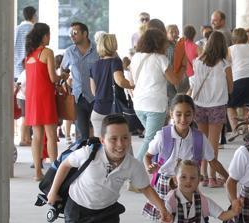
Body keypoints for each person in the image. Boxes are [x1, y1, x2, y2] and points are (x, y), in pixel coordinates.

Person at [143, 94, 229, 219]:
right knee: (166, 219)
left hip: (189, 182)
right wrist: (149, 167)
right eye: (178, 114)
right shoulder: (163, 136)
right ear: (171, 114)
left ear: (194, 115)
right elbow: (147, 156)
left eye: (188, 114)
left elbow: (213, 161)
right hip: (165, 182)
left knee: (187, 218)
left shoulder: (199, 138)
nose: (183, 119)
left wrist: (228, 178)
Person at [129, 28, 182, 166]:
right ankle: (135, 173)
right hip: (155, 105)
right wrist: (182, 68)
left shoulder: (136, 57)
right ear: (158, 43)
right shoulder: (161, 59)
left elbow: (132, 81)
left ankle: (156, 167)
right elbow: (174, 80)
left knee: (156, 138)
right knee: (151, 140)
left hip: (139, 104)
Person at [191, 31, 233, 188]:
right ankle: (212, 178)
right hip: (217, 105)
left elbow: (194, 83)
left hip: (199, 105)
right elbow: (230, 87)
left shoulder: (198, 62)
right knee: (213, 143)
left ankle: (201, 175)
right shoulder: (224, 64)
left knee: (202, 141)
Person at [24, 23, 66, 181]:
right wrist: (62, 77)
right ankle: (54, 172)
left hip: (32, 98)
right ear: (43, 36)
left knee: (37, 136)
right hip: (45, 97)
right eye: (48, 34)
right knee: (51, 135)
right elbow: (52, 78)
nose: (49, 37)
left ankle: (37, 173)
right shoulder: (47, 52)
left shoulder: (29, 55)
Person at [89, 34, 134, 137]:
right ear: (113, 45)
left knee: (100, 146)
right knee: (121, 144)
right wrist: (134, 85)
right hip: (113, 110)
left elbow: (94, 91)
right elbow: (120, 81)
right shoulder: (115, 62)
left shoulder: (94, 65)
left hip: (97, 110)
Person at [61, 22, 100, 141]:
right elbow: (63, 69)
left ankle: (97, 158)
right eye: (70, 34)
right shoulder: (69, 52)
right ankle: (84, 158)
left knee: (99, 134)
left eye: (75, 33)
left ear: (85, 34)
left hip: (97, 97)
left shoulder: (98, 50)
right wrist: (64, 77)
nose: (72, 36)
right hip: (78, 98)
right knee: (82, 135)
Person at [226, 28, 249, 140]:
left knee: (230, 106)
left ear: (233, 38)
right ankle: (248, 130)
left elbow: (227, 65)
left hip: (239, 78)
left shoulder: (230, 49)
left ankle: (235, 129)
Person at [14, 6, 37, 80]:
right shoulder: (35, 30)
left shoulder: (16, 29)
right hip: (30, 69)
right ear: (33, 16)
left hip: (16, 70)